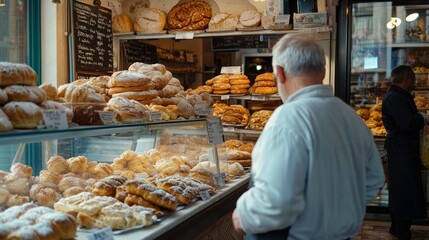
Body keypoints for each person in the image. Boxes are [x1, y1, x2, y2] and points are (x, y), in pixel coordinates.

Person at [232, 33, 385, 240]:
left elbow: (274, 203)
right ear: (322, 70)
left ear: (280, 72)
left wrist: (244, 214)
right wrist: (333, 210)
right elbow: (374, 180)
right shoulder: (351, 117)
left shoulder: (287, 119)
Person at [382, 64, 428, 240]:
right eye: (412, 80)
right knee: (404, 191)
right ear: (406, 79)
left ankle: (396, 228)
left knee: (400, 190)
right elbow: (407, 123)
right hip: (401, 149)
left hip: (400, 148)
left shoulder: (396, 95)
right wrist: (421, 118)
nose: (414, 83)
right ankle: (402, 231)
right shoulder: (395, 97)